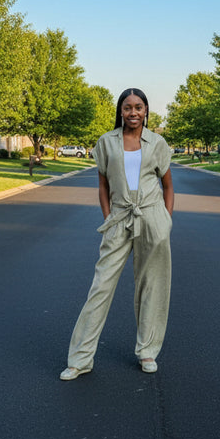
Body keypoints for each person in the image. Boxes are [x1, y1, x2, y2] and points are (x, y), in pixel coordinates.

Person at [60, 88, 175, 380]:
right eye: (127, 107)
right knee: (101, 286)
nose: (133, 112)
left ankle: (147, 351)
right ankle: (80, 359)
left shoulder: (157, 143)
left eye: (138, 107)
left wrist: (165, 222)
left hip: (152, 218)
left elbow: (168, 186)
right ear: (120, 111)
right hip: (120, 218)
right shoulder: (106, 142)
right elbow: (103, 186)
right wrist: (108, 217)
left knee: (152, 285)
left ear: (146, 111)